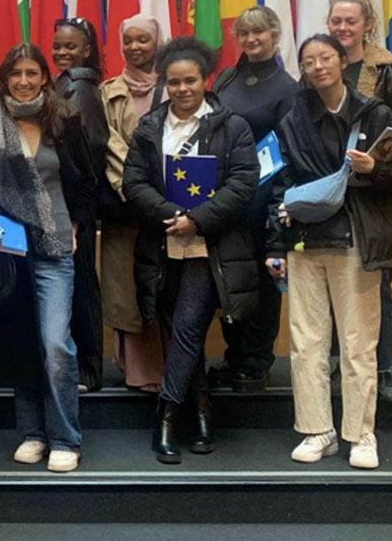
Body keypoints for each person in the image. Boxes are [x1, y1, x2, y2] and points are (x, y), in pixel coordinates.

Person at [264, 34, 392, 471]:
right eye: (308, 61)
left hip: (357, 238)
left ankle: (361, 433)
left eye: (325, 57)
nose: (318, 66)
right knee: (307, 342)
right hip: (305, 240)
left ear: (341, 61)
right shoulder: (294, 119)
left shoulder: (376, 114)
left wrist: (377, 169)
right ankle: (318, 431)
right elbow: (280, 185)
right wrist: (274, 243)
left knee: (357, 343)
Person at [123, 37, 259, 465]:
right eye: (175, 82)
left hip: (210, 246)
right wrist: (170, 214)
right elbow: (133, 183)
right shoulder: (149, 128)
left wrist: (197, 219)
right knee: (185, 333)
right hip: (162, 246)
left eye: (191, 81)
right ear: (165, 83)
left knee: (186, 326)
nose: (183, 89)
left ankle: (165, 416)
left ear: (206, 80)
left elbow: (244, 184)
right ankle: (201, 414)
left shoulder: (232, 126)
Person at [0, 43, 96, 473]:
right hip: (10, 249)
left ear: (45, 77)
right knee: (20, 342)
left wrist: (79, 226)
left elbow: (86, 182)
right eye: (16, 74)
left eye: (32, 73)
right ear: (5, 78)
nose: (24, 81)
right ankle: (32, 433)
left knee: (55, 344)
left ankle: (66, 437)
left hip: (56, 247)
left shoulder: (64, 120)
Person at [327, 0, 392, 404]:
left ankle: (383, 368)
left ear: (367, 25)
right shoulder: (319, 66)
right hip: (328, 196)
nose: (343, 28)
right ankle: (335, 362)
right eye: (336, 21)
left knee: (377, 286)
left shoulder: (390, 72)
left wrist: (374, 161)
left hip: (375, 193)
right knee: (328, 284)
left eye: (351, 21)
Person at [207, 7, 298, 393]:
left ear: (275, 35)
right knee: (231, 281)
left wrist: (277, 209)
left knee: (261, 285)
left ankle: (257, 362)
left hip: (264, 201)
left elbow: (290, 153)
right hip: (226, 199)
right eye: (244, 34)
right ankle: (234, 356)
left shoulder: (289, 88)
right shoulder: (226, 77)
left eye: (259, 33)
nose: (251, 40)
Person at [98, 46, 165, 394]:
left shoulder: (173, 83)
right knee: (126, 289)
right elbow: (110, 144)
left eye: (144, 39)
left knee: (164, 289)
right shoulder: (108, 90)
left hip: (171, 209)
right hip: (126, 206)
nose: (136, 47)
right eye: (129, 40)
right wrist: (139, 190)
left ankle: (170, 367)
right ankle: (135, 369)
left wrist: (163, 198)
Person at [50, 16, 108, 393]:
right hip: (71, 205)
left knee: (83, 282)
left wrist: (74, 209)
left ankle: (89, 366)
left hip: (76, 208)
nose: (62, 52)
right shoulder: (66, 85)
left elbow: (88, 151)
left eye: (70, 46)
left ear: (86, 49)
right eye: (57, 46)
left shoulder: (80, 88)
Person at [117, 15, 163, 113]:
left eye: (142, 40)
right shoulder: (109, 91)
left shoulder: (173, 86)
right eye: (127, 41)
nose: (133, 47)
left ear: (156, 43)